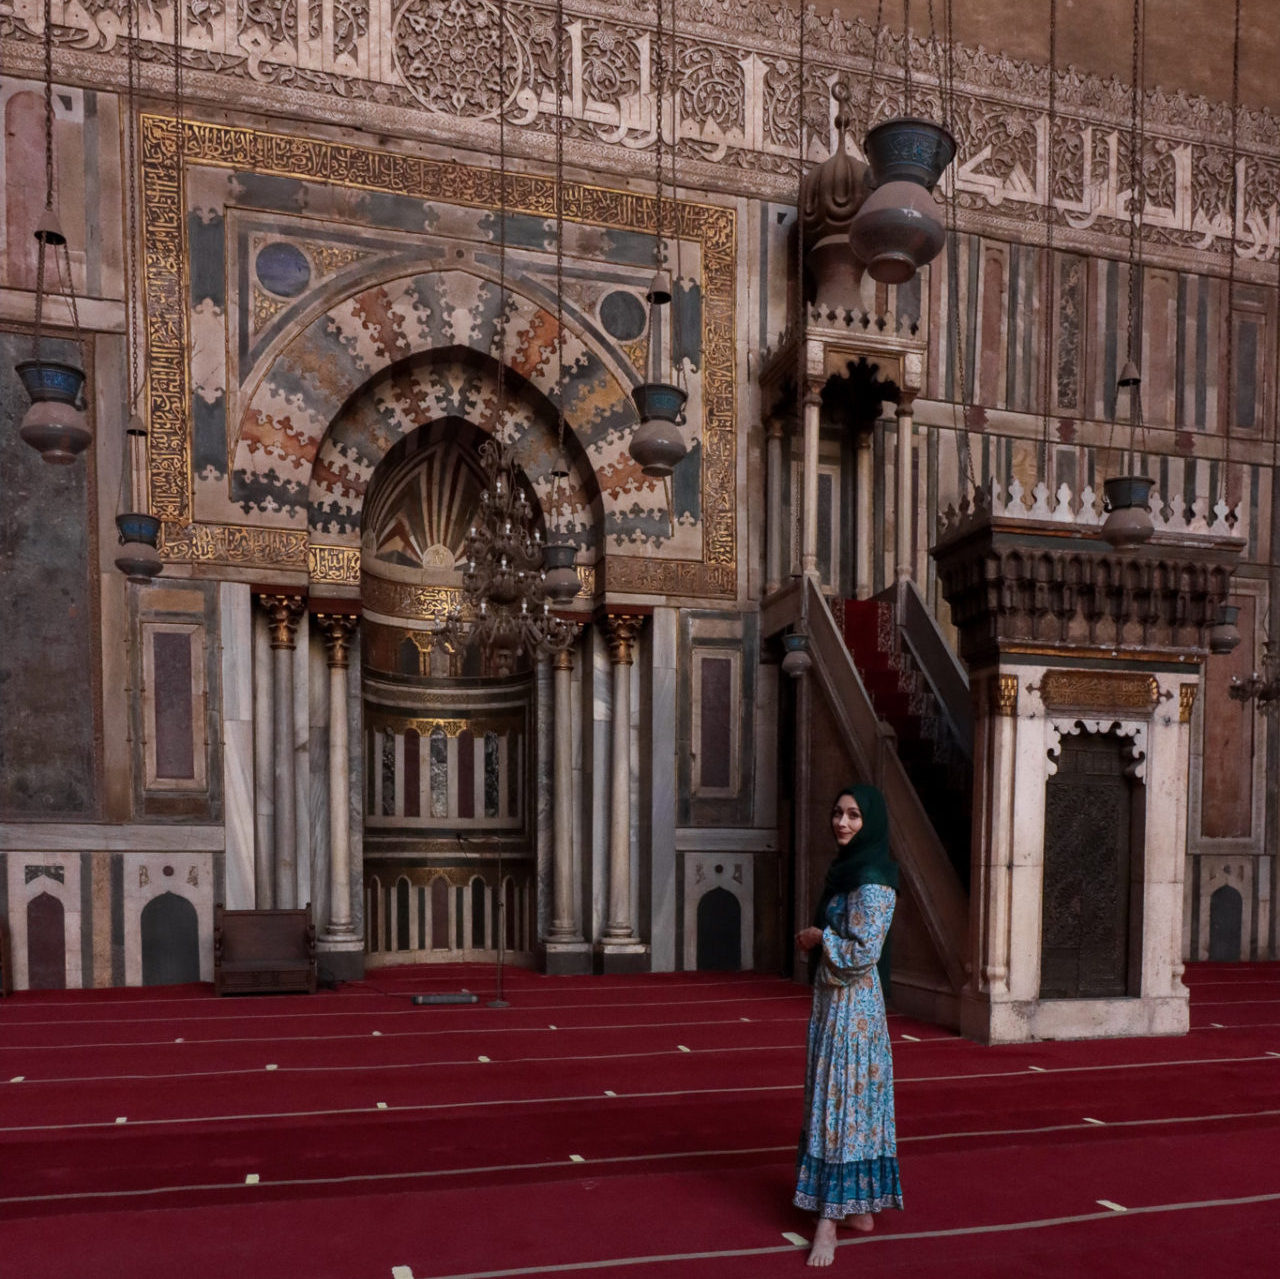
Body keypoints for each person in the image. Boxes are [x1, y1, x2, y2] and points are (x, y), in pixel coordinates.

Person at [793, 783, 903, 1267]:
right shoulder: (848, 872)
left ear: (870, 823)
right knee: (834, 1097)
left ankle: (828, 1224)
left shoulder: (875, 878)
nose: (842, 822)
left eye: (854, 816)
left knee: (844, 1101)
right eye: (837, 813)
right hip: (832, 1005)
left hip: (854, 1009)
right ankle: (857, 1209)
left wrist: (820, 939)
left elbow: (862, 954)